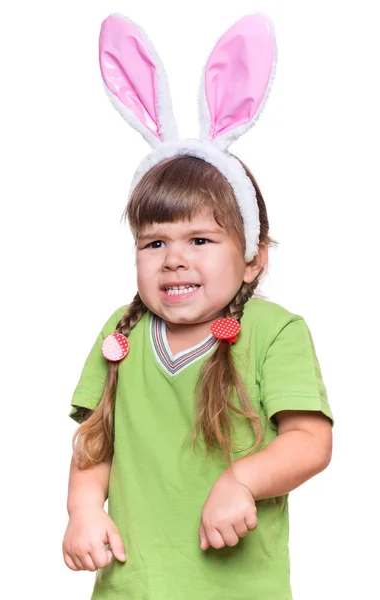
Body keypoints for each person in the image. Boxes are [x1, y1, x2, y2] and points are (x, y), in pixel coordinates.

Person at [62, 12, 335, 600]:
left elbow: (311, 442)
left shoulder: (274, 331)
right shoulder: (123, 330)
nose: (174, 259)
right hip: (132, 586)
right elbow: (94, 438)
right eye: (154, 242)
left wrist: (243, 478)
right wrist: (83, 511)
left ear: (255, 255)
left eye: (201, 241)